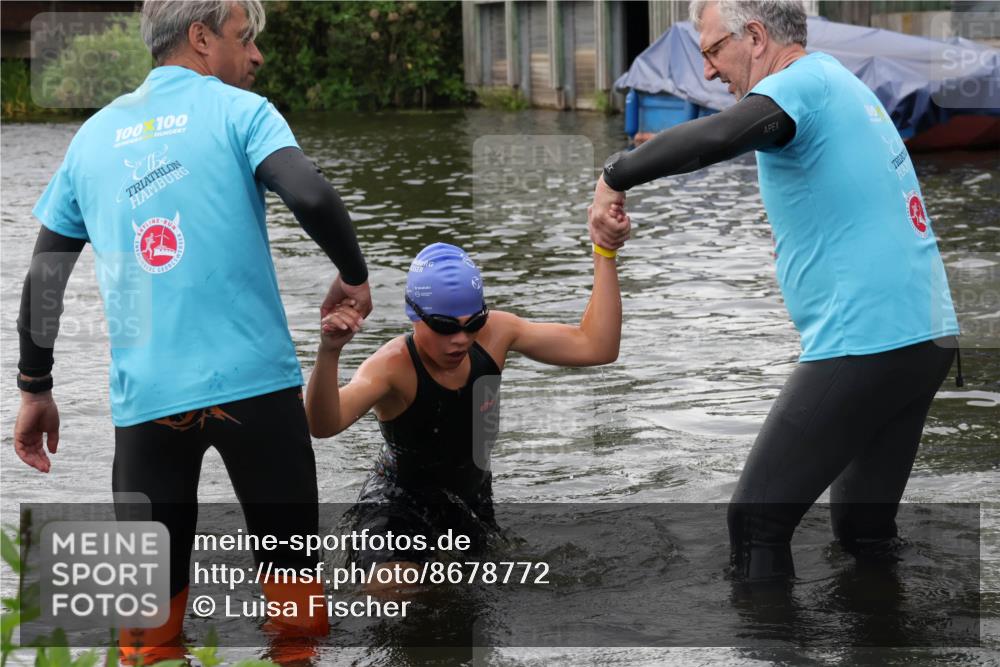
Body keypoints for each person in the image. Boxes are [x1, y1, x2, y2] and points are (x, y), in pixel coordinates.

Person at [13, 0, 371, 660]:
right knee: (297, 617)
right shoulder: (242, 113)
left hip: (148, 405)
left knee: (148, 633)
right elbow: (314, 196)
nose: (256, 56)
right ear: (202, 39)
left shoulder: (92, 138)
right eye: (246, 38)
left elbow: (43, 278)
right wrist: (353, 273)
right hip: (257, 394)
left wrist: (35, 385)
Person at [589, 0, 960, 581]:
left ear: (756, 36)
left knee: (756, 521)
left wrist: (616, 173)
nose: (708, 71)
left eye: (712, 50)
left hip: (867, 340)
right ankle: (889, 636)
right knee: (863, 530)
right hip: (925, 335)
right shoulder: (837, 78)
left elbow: (719, 136)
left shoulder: (799, 86)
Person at [305, 240, 621, 586]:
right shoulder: (391, 366)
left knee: (470, 599)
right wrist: (329, 351)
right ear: (415, 315)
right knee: (392, 586)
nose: (460, 339)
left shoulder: (497, 334)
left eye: (473, 323)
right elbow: (323, 424)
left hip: (468, 501)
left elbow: (597, 346)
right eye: (444, 326)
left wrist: (604, 251)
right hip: (398, 503)